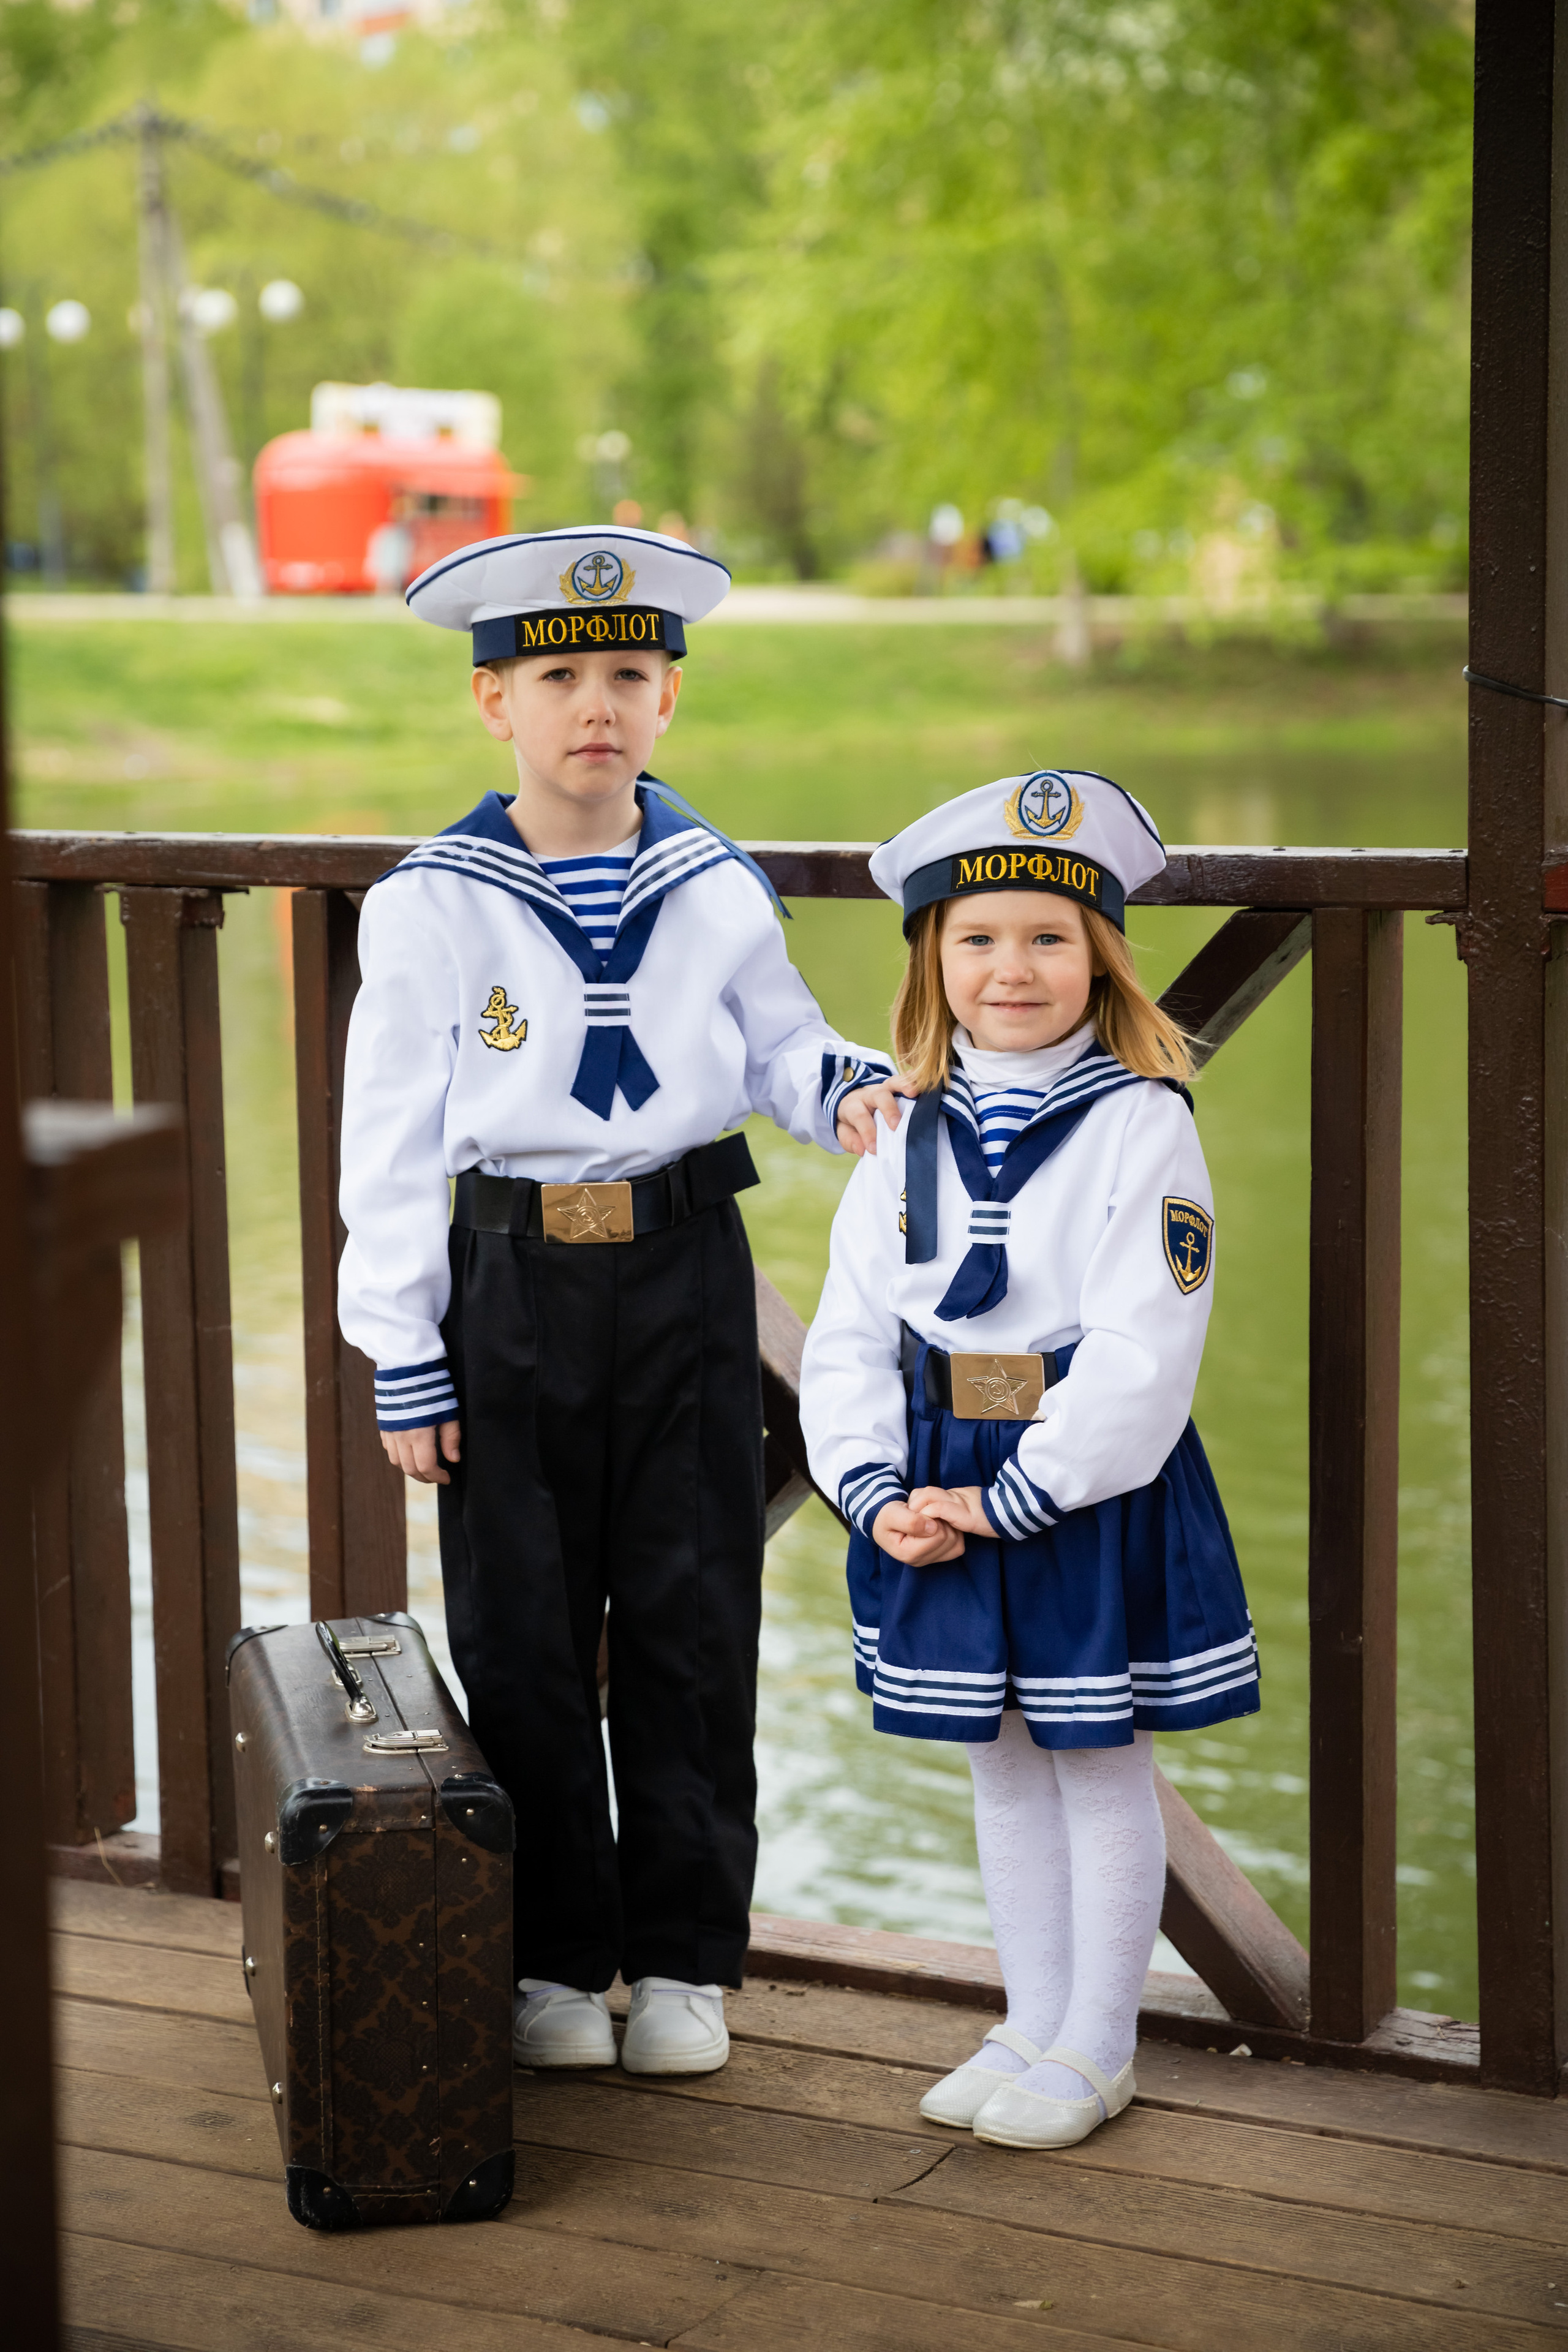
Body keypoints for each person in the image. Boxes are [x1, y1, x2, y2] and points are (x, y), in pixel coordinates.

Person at [337, 525, 908, 2078]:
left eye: (630, 676)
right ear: (493, 704)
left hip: (682, 1272)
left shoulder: (708, 881)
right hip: (503, 1285)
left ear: (671, 700)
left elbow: (778, 1047)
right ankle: (548, 1959)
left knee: (691, 1614)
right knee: (520, 1627)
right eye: (558, 675)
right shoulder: (430, 902)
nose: (596, 704)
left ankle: (678, 1961)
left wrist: (850, 1085)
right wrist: (401, 1346)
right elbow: (385, 1138)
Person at [799, 769, 1258, 2150]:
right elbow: (846, 1331)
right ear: (930, 958)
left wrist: (1011, 1498)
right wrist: (873, 1489)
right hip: (928, 1471)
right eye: (978, 937)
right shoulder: (898, 1130)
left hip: (1073, 1482)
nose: (1012, 968)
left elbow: (1143, 1350)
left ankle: (1098, 2047)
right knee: (994, 1756)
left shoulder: (1140, 1120)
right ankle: (1032, 2013)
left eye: (1050, 939)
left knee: (1092, 1752)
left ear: (1102, 961)